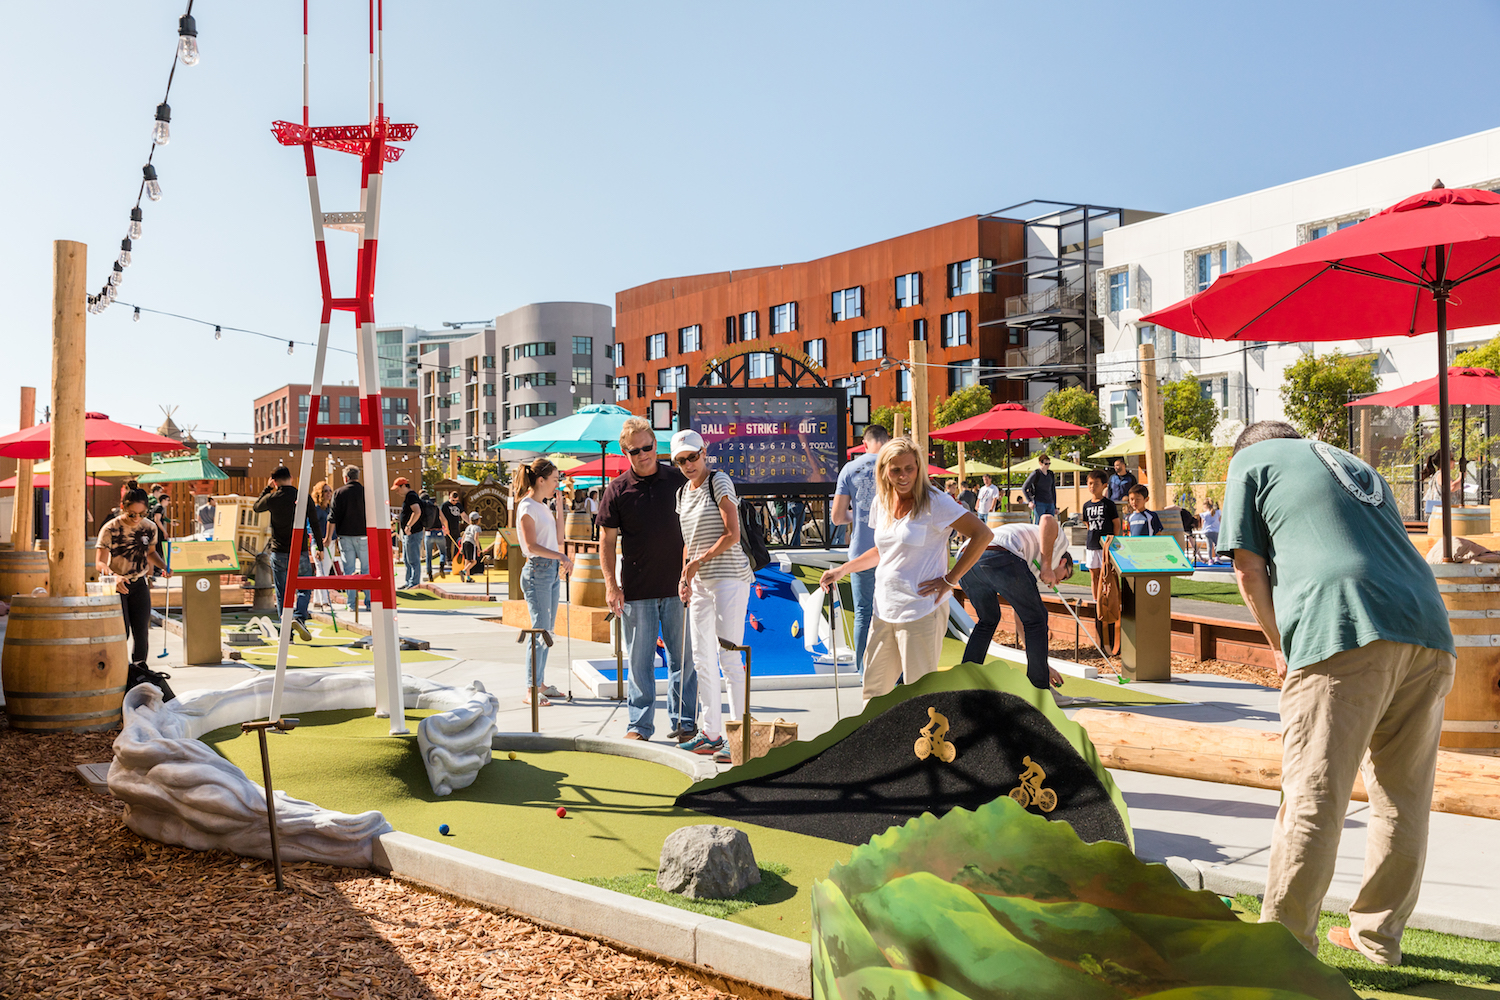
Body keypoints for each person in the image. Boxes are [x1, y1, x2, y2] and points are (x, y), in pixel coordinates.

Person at [1219, 421, 1455, 965]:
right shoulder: (1359, 466)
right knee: (1402, 799)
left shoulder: (1250, 461)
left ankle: (1283, 947)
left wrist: (1280, 646)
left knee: (1314, 795)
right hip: (1429, 627)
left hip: (1343, 621)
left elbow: (1247, 568)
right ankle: (1378, 938)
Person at [820, 437, 992, 701]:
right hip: (884, 610)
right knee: (873, 693)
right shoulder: (881, 502)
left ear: (918, 468)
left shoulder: (936, 502)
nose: (903, 476)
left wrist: (950, 579)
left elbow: (983, 534)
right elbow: (882, 551)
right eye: (896, 469)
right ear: (884, 471)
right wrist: (843, 570)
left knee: (919, 696)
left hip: (921, 610)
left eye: (909, 468)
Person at [598, 417, 696, 742]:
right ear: (625, 453)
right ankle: (639, 726)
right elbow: (606, 543)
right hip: (637, 591)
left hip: (679, 589)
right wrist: (611, 585)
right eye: (635, 450)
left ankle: (685, 724)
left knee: (683, 661)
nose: (643, 454)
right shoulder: (616, 490)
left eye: (648, 447)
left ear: (656, 445)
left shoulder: (679, 480)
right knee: (640, 664)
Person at [670, 430, 753, 764]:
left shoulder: (719, 482)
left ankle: (740, 737)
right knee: (701, 658)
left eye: (692, 456)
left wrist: (697, 563)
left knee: (729, 657)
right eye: (681, 460)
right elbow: (688, 542)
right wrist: (684, 575)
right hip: (702, 582)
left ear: (704, 452)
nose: (688, 464)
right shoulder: (681, 493)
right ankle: (711, 733)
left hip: (729, 577)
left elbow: (732, 534)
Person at [958, 517, 1072, 695]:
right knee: (1038, 618)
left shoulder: (1030, 565)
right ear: (1063, 562)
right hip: (998, 551)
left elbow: (1023, 619)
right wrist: (1047, 566)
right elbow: (1047, 519)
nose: (1057, 582)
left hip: (966, 557)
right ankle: (1039, 691)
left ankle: (965, 680)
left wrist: (1042, 665)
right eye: (1064, 576)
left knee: (988, 619)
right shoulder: (1060, 545)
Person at [95, 489, 171, 690]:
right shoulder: (110, 528)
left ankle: (140, 672)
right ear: (123, 508)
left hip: (139, 583)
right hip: (116, 586)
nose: (137, 518)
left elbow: (151, 553)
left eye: (142, 514)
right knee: (122, 632)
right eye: (132, 514)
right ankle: (118, 672)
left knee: (142, 631)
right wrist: (113, 576)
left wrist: (164, 566)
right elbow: (99, 563)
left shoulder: (149, 527)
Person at [832, 424, 891, 669]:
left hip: (860, 552)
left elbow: (837, 517)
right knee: (892, 613)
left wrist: (856, 516)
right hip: (892, 551)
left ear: (864, 444)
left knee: (862, 614)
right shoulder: (895, 465)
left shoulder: (849, 469)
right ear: (887, 441)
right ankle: (893, 675)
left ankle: (862, 673)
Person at [515, 458, 572, 706]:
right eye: (555, 480)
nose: (557, 484)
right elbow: (531, 546)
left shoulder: (542, 506)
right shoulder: (527, 507)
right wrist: (561, 557)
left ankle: (539, 684)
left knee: (547, 631)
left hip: (549, 571)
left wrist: (559, 508)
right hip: (537, 571)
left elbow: (558, 538)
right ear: (541, 480)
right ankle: (531, 689)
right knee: (539, 631)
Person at [253, 467, 309, 615]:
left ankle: (285, 623)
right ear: (291, 477)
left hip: (279, 550)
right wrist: (320, 547)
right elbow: (314, 521)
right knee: (304, 587)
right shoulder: (301, 496)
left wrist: (267, 488)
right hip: (299, 548)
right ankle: (299, 615)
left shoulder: (272, 498)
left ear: (275, 482)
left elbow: (257, 507)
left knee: (282, 592)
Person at [328, 466, 370, 612]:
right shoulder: (366, 492)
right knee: (366, 569)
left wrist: (328, 537)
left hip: (345, 535)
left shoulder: (339, 493)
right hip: (364, 534)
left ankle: (352, 604)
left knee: (349, 569)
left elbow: (332, 517)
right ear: (357, 476)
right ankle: (369, 602)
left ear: (345, 478)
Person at [1081, 469, 1121, 598]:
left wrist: (1112, 540)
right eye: (1090, 483)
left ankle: (1111, 599)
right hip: (1092, 544)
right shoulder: (1086, 505)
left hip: (1106, 545)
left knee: (1108, 574)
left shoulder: (1109, 504)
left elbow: (1116, 523)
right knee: (1094, 574)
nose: (1092, 486)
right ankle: (1096, 600)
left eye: (1096, 484)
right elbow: (1087, 523)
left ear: (1104, 486)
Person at [392, 477, 423, 589]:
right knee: (407, 559)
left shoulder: (411, 496)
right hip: (408, 533)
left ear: (404, 486)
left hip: (413, 532)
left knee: (413, 559)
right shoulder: (409, 496)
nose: (397, 492)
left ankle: (414, 583)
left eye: (398, 489)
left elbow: (417, 511)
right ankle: (409, 581)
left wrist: (409, 525)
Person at [1022, 455, 1058, 524]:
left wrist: (1055, 506)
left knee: (1050, 524)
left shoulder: (1051, 474)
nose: (1048, 465)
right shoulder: (1036, 473)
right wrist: (1030, 501)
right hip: (1039, 502)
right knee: (1039, 523)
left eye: (1049, 463)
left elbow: (1053, 490)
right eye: (1046, 464)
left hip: (1050, 502)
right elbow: (1024, 487)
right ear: (1040, 463)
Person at [440, 490, 465, 574]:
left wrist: (470, 522)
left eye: (456, 500)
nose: (455, 502)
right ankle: (448, 560)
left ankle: (455, 558)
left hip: (456, 528)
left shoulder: (458, 505)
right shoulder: (445, 505)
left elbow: (463, 515)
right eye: (453, 500)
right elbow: (441, 517)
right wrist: (443, 527)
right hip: (447, 528)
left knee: (457, 544)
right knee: (448, 544)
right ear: (450, 498)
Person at [459, 511, 483, 583]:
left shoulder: (468, 527)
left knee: (467, 561)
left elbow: (463, 537)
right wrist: (478, 548)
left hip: (465, 543)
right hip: (471, 544)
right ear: (477, 520)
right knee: (474, 561)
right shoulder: (477, 528)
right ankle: (463, 571)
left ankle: (468, 577)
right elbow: (476, 538)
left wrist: (461, 547)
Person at [1200, 499, 1222, 563]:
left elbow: (1203, 524)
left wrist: (1202, 531)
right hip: (1216, 530)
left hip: (1207, 531)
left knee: (1209, 546)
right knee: (1216, 545)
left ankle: (1210, 559)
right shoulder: (1217, 512)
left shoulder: (1204, 514)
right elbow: (1220, 520)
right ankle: (1217, 557)